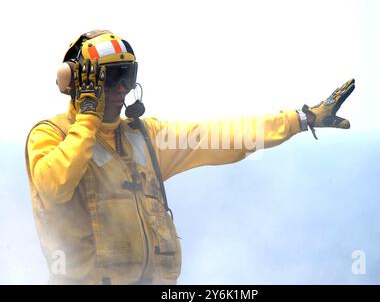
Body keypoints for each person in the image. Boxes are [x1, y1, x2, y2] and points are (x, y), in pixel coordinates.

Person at [25, 29, 355, 285]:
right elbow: (55, 185)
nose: (122, 90)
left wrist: (301, 119)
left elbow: (223, 137)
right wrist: (87, 118)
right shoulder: (50, 136)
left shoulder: (144, 135)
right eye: (110, 79)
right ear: (79, 82)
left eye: (127, 77)